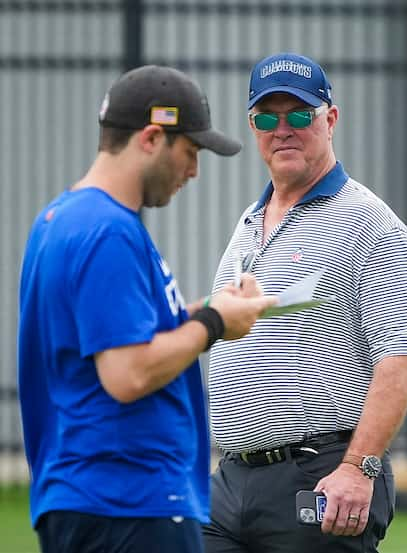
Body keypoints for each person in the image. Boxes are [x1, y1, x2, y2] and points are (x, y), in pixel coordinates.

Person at [17, 65, 278, 553]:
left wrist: (209, 310)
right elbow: (127, 372)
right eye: (191, 151)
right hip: (128, 501)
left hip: (90, 497)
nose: (195, 171)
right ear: (152, 137)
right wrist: (214, 322)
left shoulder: (61, 218)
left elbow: (111, 338)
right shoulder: (108, 231)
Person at [203, 52, 407, 553]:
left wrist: (359, 468)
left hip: (320, 476)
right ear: (252, 126)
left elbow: (401, 356)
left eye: (300, 115)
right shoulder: (249, 222)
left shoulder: (369, 223)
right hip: (229, 484)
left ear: (330, 119)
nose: (282, 129)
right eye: (268, 118)